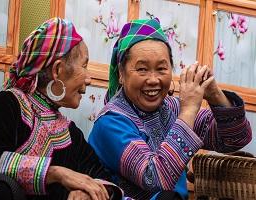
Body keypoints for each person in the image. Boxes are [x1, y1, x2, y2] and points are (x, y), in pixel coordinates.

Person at [88, 18, 252, 200]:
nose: (153, 79)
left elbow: (235, 139)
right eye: (142, 69)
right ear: (121, 73)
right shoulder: (110, 122)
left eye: (161, 69)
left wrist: (215, 96)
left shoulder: (172, 107)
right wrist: (189, 110)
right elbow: (155, 178)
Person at [0, 17, 124, 200]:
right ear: (57, 70)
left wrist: (87, 192)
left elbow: (104, 179)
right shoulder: (7, 104)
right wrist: (56, 173)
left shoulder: (71, 134)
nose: (89, 79)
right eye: (84, 65)